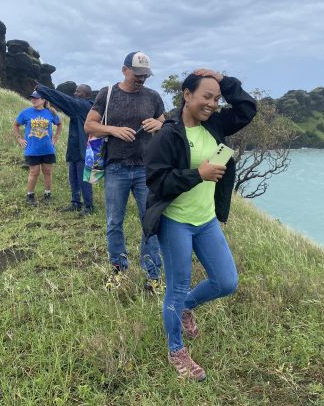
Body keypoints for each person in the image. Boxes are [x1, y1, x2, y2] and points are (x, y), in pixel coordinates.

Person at [143, 68, 257, 380]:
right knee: (177, 286)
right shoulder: (168, 134)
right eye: (206, 96)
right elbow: (156, 180)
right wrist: (198, 175)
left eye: (217, 98)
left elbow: (247, 108)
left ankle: (184, 308)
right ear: (187, 95)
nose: (212, 103)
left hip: (206, 220)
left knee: (226, 281)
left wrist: (224, 79)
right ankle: (176, 349)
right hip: (175, 221)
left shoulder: (216, 124)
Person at [84, 51, 165, 292]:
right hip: (116, 167)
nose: (141, 79)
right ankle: (118, 270)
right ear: (124, 70)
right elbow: (89, 125)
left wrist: (159, 124)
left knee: (150, 221)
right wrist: (114, 130)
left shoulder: (153, 97)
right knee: (114, 221)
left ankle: (152, 275)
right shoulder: (107, 94)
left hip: (145, 168)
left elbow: (165, 121)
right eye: (137, 74)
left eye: (145, 75)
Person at [35, 82, 95, 215]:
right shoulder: (79, 107)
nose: (75, 93)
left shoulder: (84, 105)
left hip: (83, 149)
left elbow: (63, 99)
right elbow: (63, 102)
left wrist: (42, 89)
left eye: (78, 91)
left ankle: (89, 206)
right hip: (75, 148)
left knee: (83, 178)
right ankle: (75, 202)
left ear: (86, 95)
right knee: (73, 177)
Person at [14, 91, 62, 206]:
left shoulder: (51, 112)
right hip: (32, 149)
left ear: (43, 100)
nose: (33, 100)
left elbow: (59, 124)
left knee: (47, 171)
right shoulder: (25, 113)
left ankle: (48, 195)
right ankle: (30, 196)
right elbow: (15, 125)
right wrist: (19, 138)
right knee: (34, 172)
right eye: (32, 98)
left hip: (47, 149)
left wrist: (56, 137)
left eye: (36, 98)